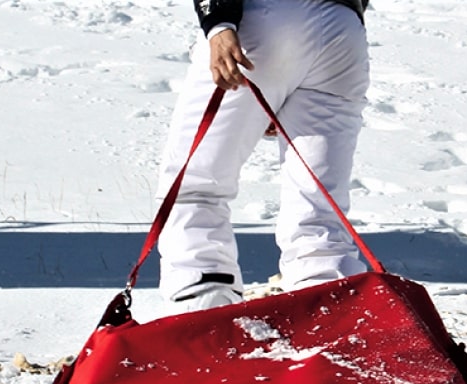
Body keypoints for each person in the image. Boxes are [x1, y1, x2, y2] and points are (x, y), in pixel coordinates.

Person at [156, 0, 370, 311]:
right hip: (342, 29)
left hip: (261, 22)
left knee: (196, 188)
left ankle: (203, 306)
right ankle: (329, 313)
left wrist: (219, 22)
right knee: (319, 209)